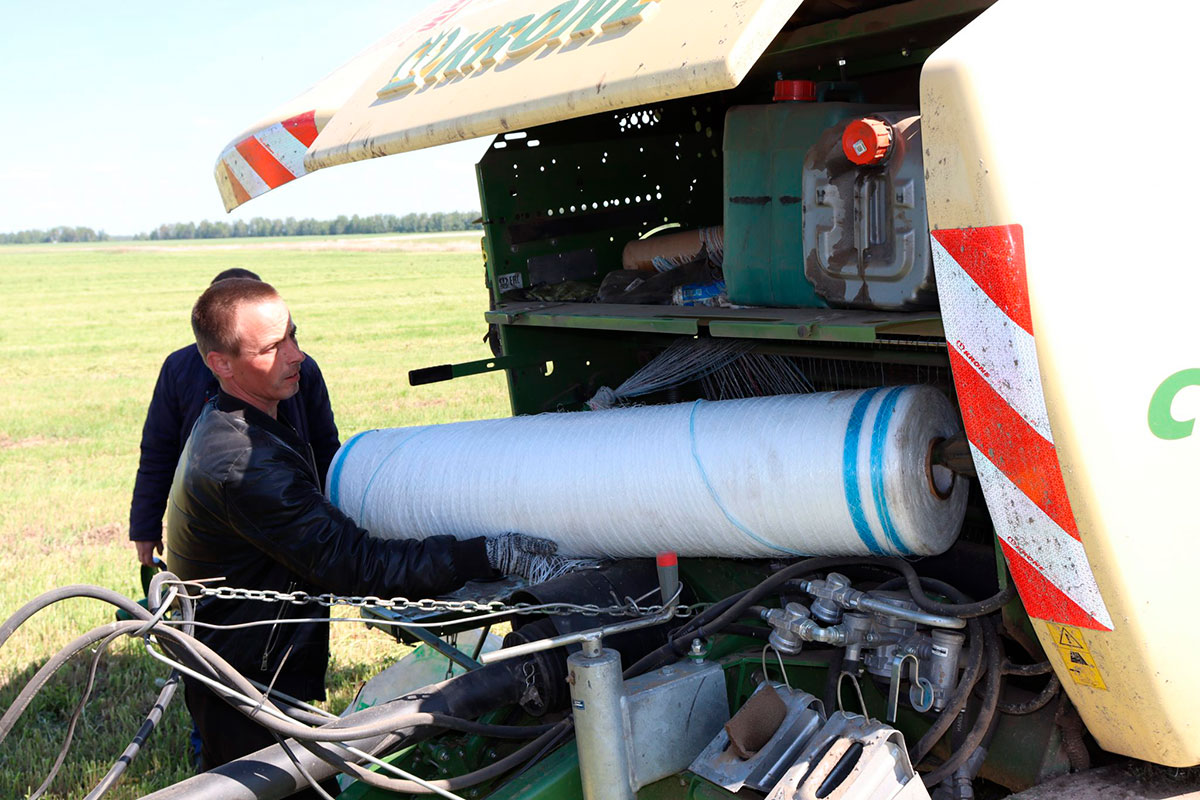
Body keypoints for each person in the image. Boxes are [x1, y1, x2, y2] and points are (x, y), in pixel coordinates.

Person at [165, 278, 549, 771]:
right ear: (221, 364)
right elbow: (355, 563)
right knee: (264, 782)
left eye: (294, 336)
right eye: (272, 347)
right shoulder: (245, 465)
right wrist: (487, 554)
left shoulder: (239, 421)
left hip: (248, 661)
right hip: (245, 678)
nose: (296, 355)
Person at [129, 268, 341, 567]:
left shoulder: (301, 370)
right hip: (215, 514)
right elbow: (158, 452)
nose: (293, 353)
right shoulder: (179, 368)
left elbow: (324, 445)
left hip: (291, 506)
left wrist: (332, 513)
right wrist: (145, 527)